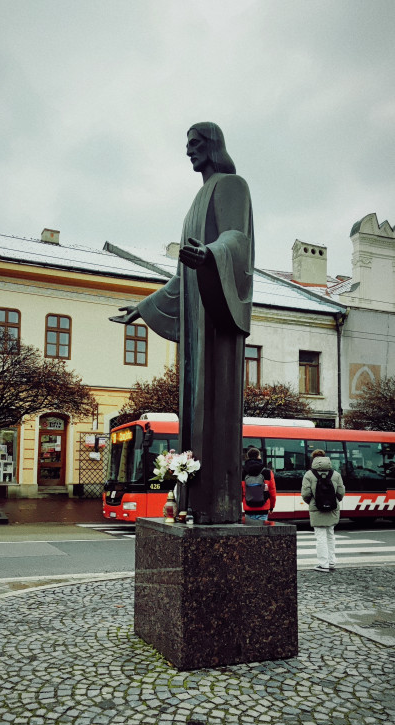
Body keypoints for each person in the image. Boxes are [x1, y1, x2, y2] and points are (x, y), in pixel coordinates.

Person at [109, 123, 254, 524]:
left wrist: (210, 256)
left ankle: (218, 503)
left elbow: (236, 240)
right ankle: (191, 501)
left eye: (195, 144)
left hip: (216, 313)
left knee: (214, 395)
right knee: (193, 398)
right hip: (195, 317)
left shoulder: (232, 185)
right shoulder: (195, 201)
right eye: (187, 145)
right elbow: (182, 273)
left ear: (212, 146)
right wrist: (146, 306)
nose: (189, 151)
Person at [301, 449, 345, 572]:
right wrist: (333, 501)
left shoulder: (309, 474)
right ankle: (331, 562)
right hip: (332, 507)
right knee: (330, 535)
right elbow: (341, 492)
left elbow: (305, 494)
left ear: (314, 459)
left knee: (320, 536)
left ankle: (323, 564)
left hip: (316, 508)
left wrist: (312, 502)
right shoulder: (335, 474)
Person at [242, 447, 276, 521]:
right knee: (262, 531)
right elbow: (272, 492)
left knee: (249, 531)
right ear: (258, 456)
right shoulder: (267, 472)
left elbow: (240, 492)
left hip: (248, 508)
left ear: (248, 457)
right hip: (263, 508)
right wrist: (271, 507)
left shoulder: (243, 473)